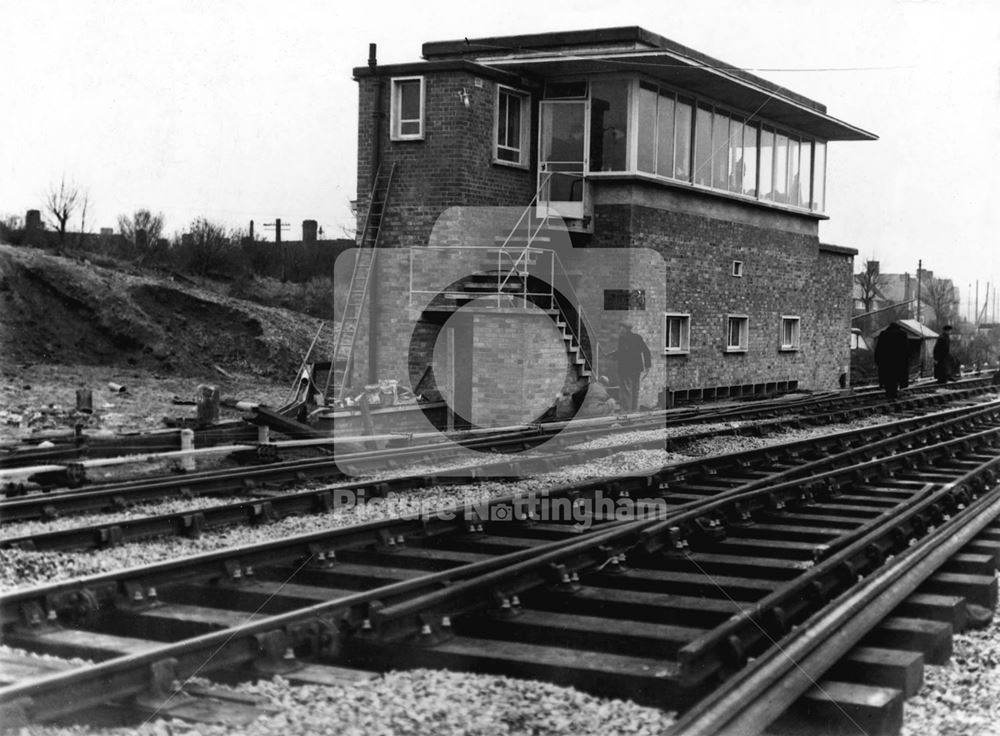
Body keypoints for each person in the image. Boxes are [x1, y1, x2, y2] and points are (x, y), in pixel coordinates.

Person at [613, 322, 651, 412]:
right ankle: (633, 411)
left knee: (626, 392)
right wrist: (647, 366)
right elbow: (646, 351)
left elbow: (623, 354)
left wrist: (614, 355)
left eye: (621, 328)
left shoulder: (622, 339)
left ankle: (627, 413)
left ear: (625, 329)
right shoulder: (637, 337)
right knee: (635, 390)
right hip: (637, 369)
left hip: (626, 370)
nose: (619, 330)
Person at [873, 322, 910, 400]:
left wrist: (877, 360)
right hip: (898, 362)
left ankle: (889, 392)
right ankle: (894, 392)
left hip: (886, 362)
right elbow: (906, 350)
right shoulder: (902, 334)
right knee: (896, 378)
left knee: (888, 378)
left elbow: (879, 349)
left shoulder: (883, 334)